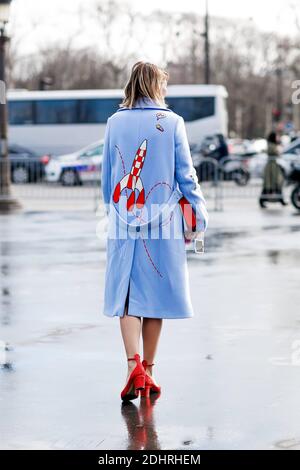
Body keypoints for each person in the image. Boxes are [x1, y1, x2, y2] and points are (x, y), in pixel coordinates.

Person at [101, 61, 209, 401]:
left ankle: (132, 365)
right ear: (156, 86)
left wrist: (114, 210)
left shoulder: (114, 122)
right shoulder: (173, 122)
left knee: (127, 296)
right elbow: (186, 176)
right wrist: (198, 218)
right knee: (155, 298)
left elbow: (108, 177)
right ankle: (147, 369)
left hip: (123, 219)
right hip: (162, 222)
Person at [259, 131, 287, 208]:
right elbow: (276, 153)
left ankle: (280, 200)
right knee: (272, 184)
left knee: (276, 183)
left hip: (273, 167)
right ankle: (263, 200)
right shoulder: (271, 145)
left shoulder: (272, 144)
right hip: (271, 167)